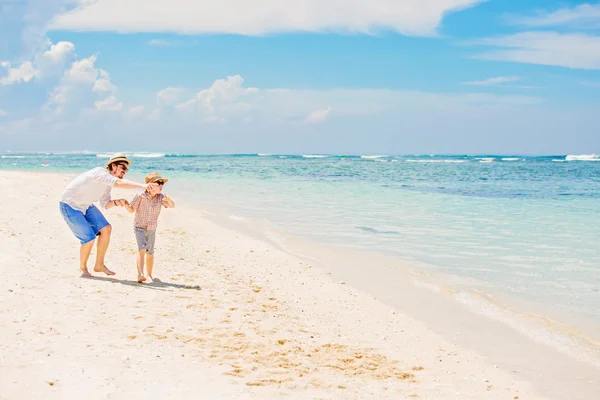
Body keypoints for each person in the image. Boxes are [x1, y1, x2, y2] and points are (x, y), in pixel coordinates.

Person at [59, 152, 158, 278]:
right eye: (123, 167)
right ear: (114, 166)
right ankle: (82, 269)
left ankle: (99, 265)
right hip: (69, 205)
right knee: (88, 238)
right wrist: (142, 186)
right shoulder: (99, 173)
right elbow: (117, 183)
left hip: (86, 205)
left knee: (106, 228)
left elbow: (105, 203)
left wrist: (118, 202)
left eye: (127, 169)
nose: (125, 171)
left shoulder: (107, 185)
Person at [124, 172, 175, 283]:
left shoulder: (160, 197)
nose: (161, 186)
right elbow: (131, 209)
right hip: (139, 227)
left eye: (162, 184)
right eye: (159, 183)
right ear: (150, 185)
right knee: (141, 248)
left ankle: (150, 275)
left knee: (150, 252)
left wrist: (169, 200)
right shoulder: (140, 196)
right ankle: (140, 274)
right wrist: (125, 205)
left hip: (152, 228)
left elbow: (171, 206)